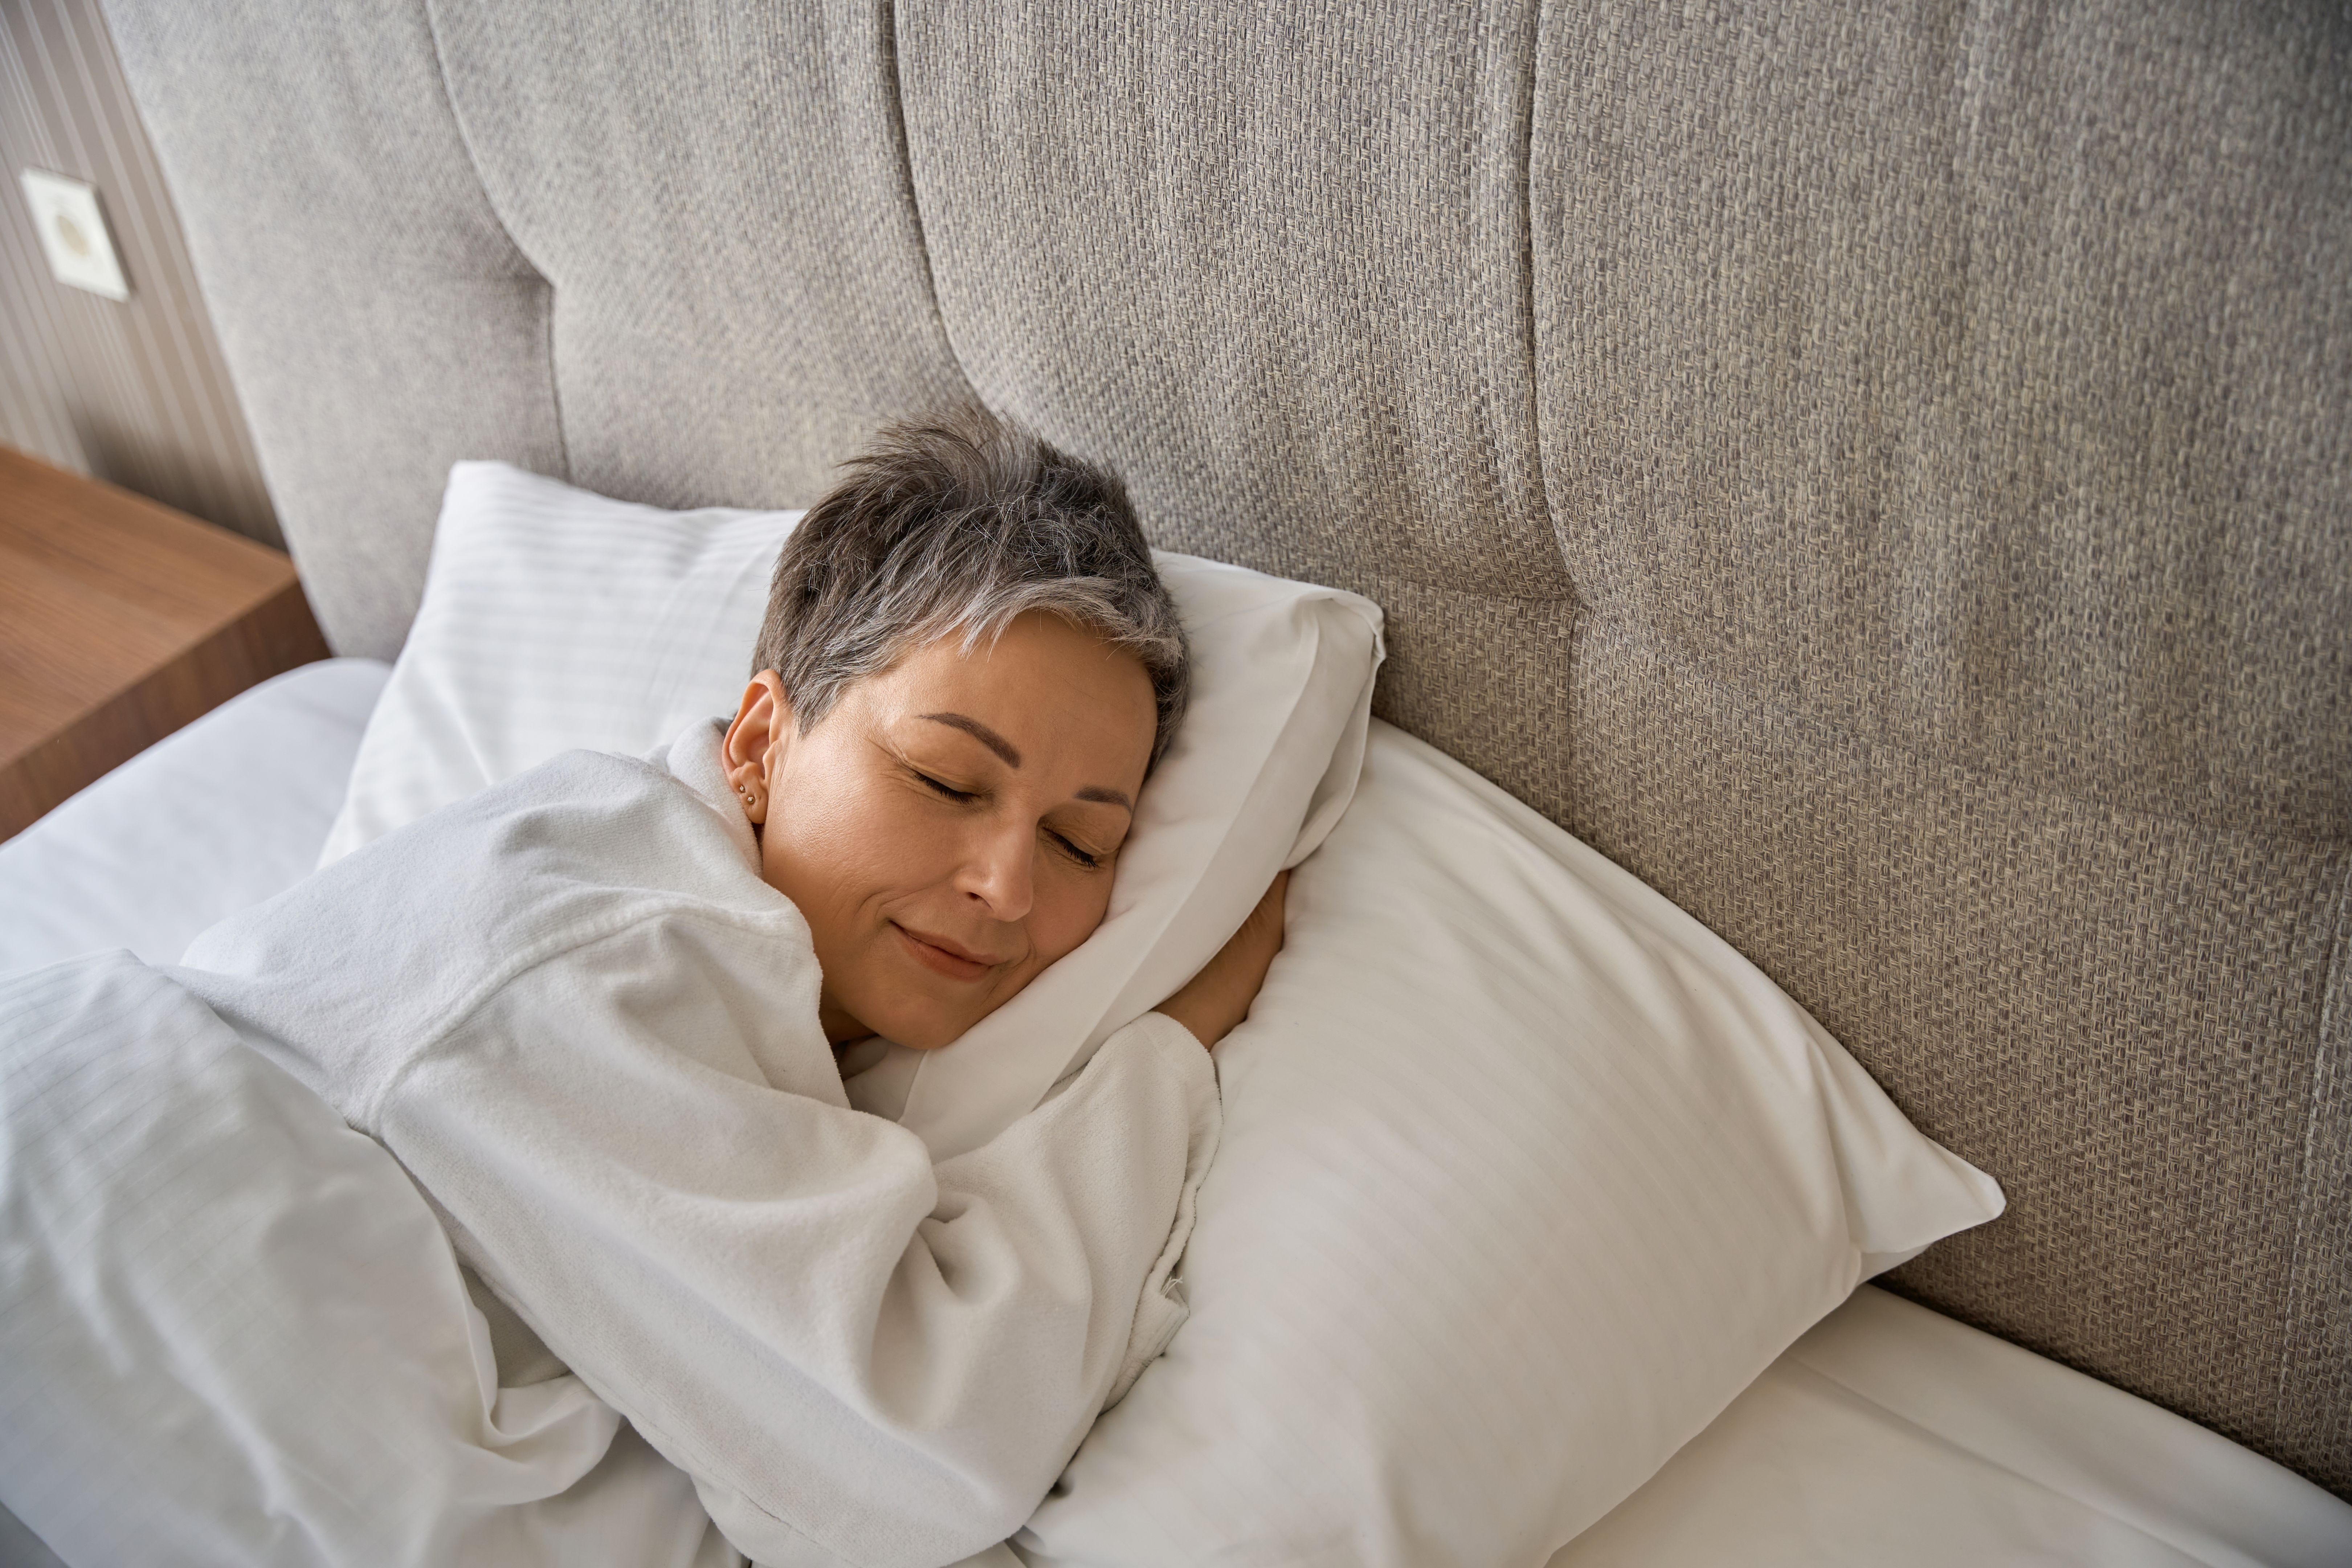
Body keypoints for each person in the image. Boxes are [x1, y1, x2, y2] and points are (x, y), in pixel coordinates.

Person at [167, 405, 1286, 1568]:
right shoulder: (597, 963)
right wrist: (1174, 1041)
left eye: (1079, 844)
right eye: (946, 780)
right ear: (759, 743)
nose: (1007, 885)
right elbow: (927, 1444)